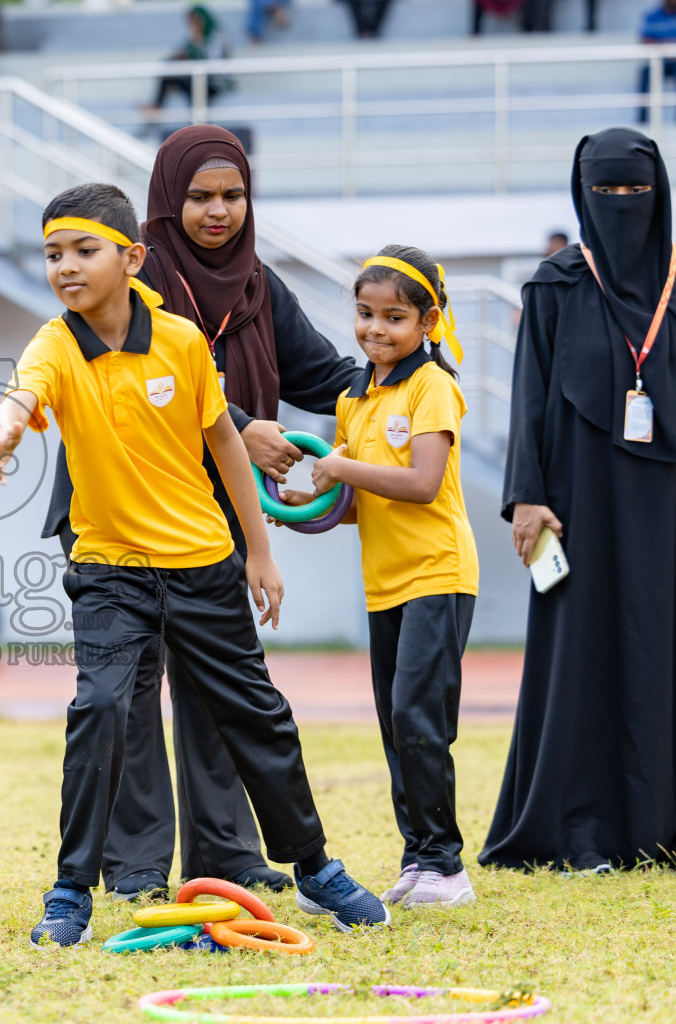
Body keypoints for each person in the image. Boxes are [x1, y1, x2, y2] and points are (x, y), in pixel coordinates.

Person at [0, 182, 390, 948]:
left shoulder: (182, 341)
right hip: (110, 572)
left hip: (202, 563)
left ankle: (316, 868)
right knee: (100, 711)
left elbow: (225, 441)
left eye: (84, 251)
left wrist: (258, 549)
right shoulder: (56, 343)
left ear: (131, 260)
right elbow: (21, 395)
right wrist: (4, 431)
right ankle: (70, 893)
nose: (65, 267)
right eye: (53, 253)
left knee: (259, 716)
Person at [42, 126, 360, 902]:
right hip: (118, 512)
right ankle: (138, 866)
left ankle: (227, 852)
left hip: (209, 522)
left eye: (232, 196)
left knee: (224, 692)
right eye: (200, 197)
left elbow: (324, 371)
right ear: (166, 201)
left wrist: (402, 382)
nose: (218, 212)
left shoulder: (257, 284)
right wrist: (247, 421)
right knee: (126, 696)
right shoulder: (131, 270)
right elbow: (174, 388)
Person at [480, 127, 676, 875]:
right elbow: (528, 399)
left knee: (660, 647)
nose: (622, 205)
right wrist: (526, 498)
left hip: (674, 498)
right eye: (607, 192)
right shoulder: (554, 282)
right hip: (576, 500)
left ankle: (658, 830)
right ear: (581, 193)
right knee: (580, 652)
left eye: (636, 191)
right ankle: (572, 830)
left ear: (658, 193)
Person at [281, 246, 480, 909]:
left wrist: (339, 471)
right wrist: (304, 515)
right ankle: (418, 859)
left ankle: (446, 867)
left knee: (418, 717)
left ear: (427, 323)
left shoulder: (433, 387)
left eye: (394, 317)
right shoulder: (353, 399)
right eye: (365, 314)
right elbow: (362, 504)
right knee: (396, 725)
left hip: (438, 573)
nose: (375, 330)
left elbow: (422, 484)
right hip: (385, 581)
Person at [144, 5, 232, 115]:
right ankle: (157, 106)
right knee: (168, 75)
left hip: (215, 85)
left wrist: (196, 45)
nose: (193, 26)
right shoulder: (193, 38)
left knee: (190, 81)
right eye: (191, 23)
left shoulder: (217, 38)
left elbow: (213, 66)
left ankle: (195, 117)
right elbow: (176, 55)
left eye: (195, 22)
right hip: (197, 80)